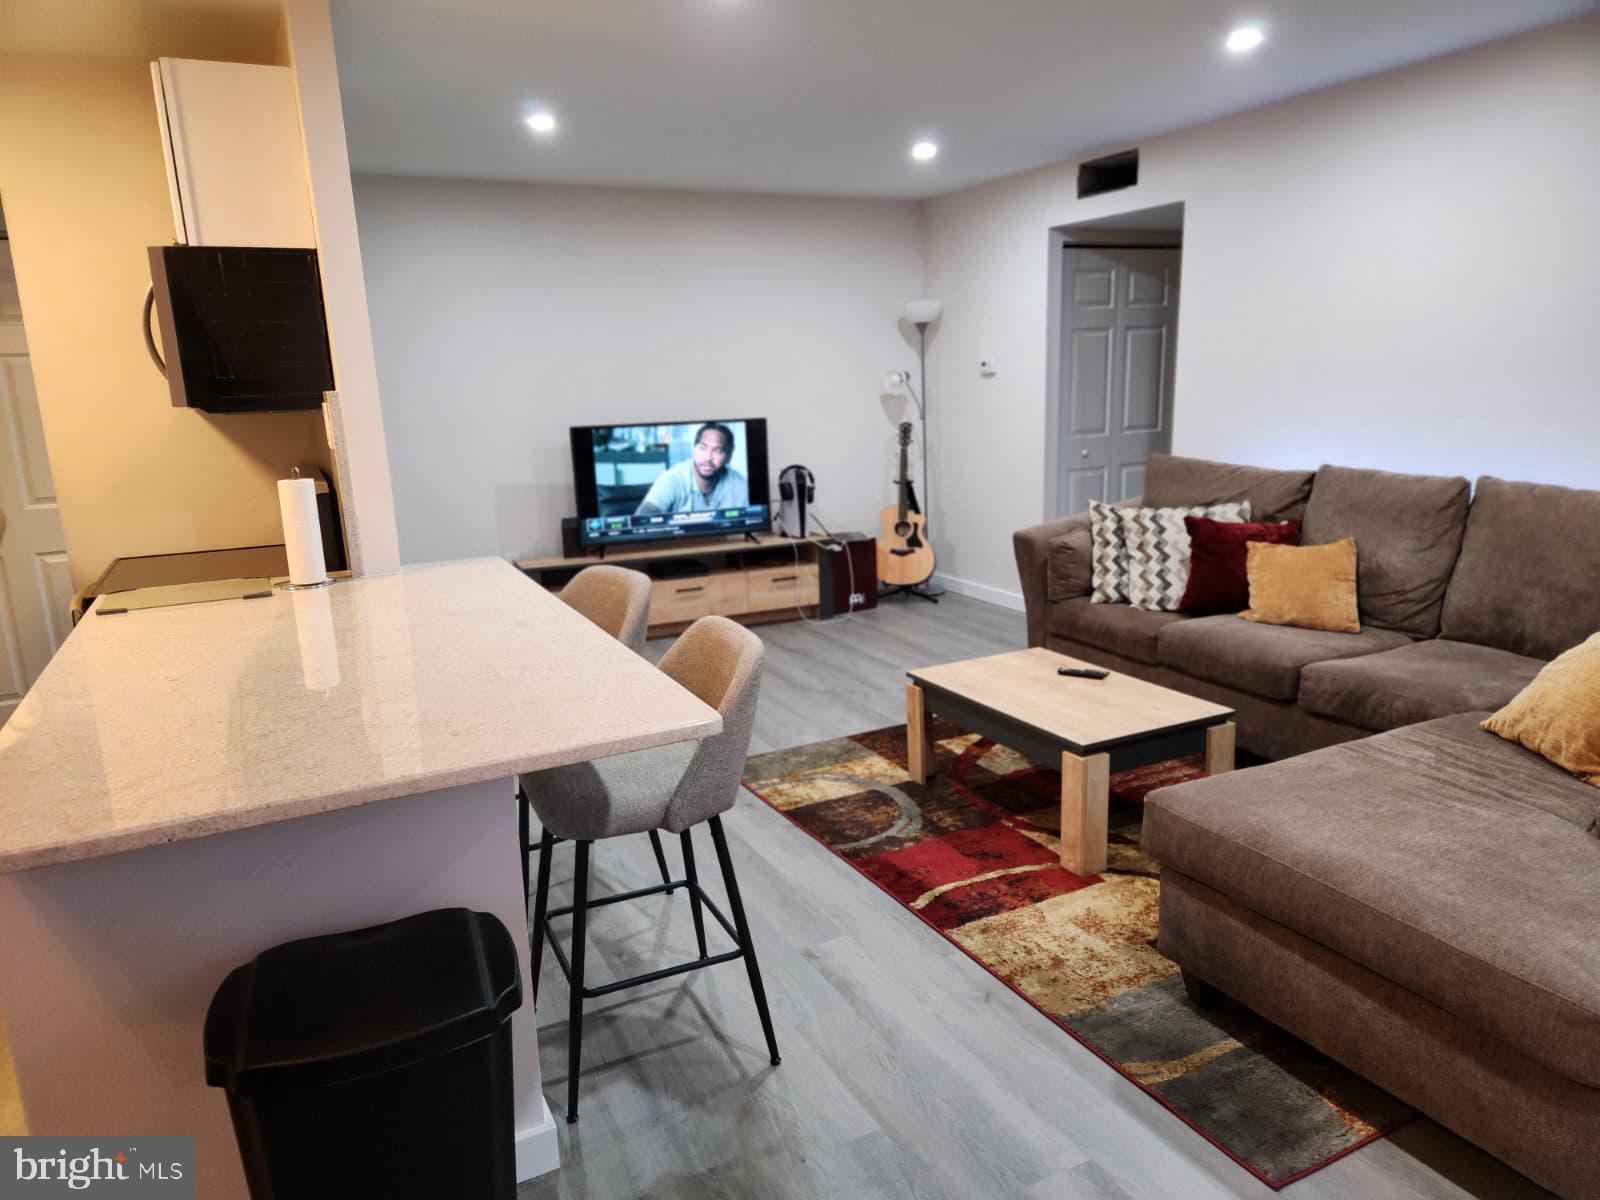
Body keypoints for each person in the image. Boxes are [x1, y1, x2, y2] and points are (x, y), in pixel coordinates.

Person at [635, 422, 748, 515]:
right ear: (694, 449)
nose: (708, 457)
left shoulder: (740, 484)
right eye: (702, 448)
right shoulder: (673, 478)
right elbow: (641, 518)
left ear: (728, 456)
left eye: (717, 450)